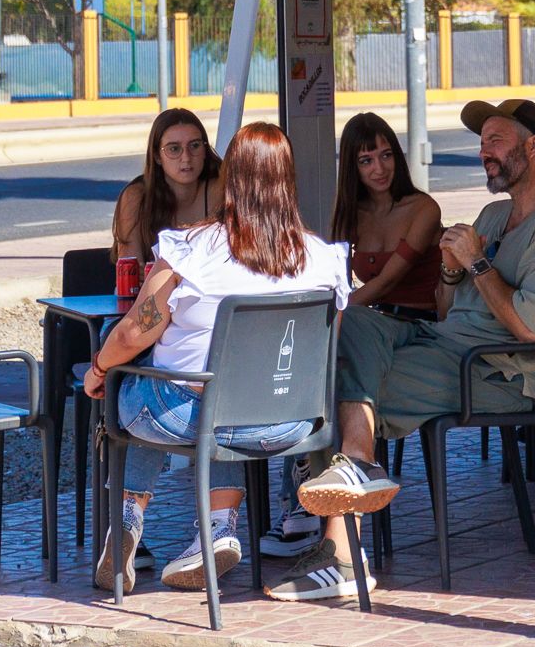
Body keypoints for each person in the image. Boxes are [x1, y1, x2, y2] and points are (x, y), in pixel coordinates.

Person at [279, 97, 535, 602]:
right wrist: (451, 269)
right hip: (445, 344)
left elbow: (531, 332)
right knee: (350, 322)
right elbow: (446, 309)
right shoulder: (494, 214)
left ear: (533, 147)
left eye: (496, 141)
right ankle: (357, 466)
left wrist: (476, 265)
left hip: (501, 375)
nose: (483, 152)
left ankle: (340, 553)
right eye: (482, 141)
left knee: (332, 382)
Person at [82, 121, 352, 594]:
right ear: (288, 180)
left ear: (229, 179)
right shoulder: (324, 259)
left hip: (185, 415)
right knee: (224, 395)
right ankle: (218, 529)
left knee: (139, 374)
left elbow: (133, 331)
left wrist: (101, 368)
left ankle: (125, 520)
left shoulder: (191, 249)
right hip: (290, 423)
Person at [331, 111, 443, 317]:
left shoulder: (424, 209)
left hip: (421, 325)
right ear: (352, 167)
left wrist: (329, 318)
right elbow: (337, 280)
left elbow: (386, 282)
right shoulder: (352, 213)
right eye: (366, 161)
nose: (379, 169)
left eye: (386, 155)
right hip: (375, 320)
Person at [112, 107, 219, 263]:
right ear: (157, 156)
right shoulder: (136, 196)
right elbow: (130, 269)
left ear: (205, 149)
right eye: (174, 149)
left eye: (194, 145)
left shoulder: (221, 189)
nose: (186, 157)